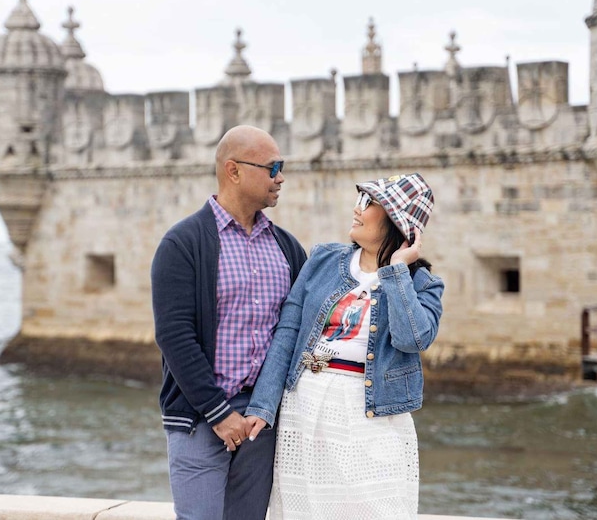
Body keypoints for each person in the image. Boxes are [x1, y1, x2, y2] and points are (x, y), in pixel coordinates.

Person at [245, 173, 444, 520]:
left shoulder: (422, 284)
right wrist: (262, 406)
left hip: (374, 415)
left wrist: (397, 270)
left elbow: (412, 339)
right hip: (305, 406)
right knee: (303, 510)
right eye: (360, 200)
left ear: (397, 222)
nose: (357, 209)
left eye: (369, 204)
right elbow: (288, 331)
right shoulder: (323, 259)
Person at [151, 125, 307, 520]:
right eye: (273, 167)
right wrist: (219, 414)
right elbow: (174, 336)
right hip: (199, 419)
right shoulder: (182, 243)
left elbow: (296, 335)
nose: (280, 177)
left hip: (262, 422)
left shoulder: (288, 248)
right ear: (233, 171)